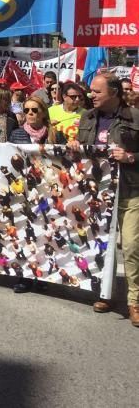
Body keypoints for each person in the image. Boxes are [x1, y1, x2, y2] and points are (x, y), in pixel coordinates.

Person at [68, 73, 139, 325]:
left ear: (115, 92)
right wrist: (76, 147)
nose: (91, 95)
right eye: (91, 92)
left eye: (97, 92)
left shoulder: (135, 116)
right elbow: (85, 155)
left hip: (131, 192)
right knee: (102, 246)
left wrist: (131, 157)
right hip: (98, 194)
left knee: (130, 246)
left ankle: (135, 302)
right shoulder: (87, 117)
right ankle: (105, 294)